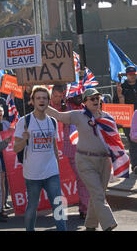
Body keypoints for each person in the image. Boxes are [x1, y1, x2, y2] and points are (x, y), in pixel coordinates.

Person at [46, 88, 118, 231]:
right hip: (85, 160)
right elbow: (58, 115)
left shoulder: (108, 118)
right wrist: (41, 103)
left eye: (98, 98)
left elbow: (114, 141)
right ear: (85, 102)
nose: (96, 101)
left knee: (98, 193)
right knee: (97, 192)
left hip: (104, 161)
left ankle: (90, 224)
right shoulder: (78, 115)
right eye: (92, 99)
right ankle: (108, 223)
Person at [14, 86, 67, 231]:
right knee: (32, 206)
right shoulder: (24, 122)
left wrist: (57, 165)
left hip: (51, 172)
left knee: (58, 205)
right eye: (38, 98)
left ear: (49, 101)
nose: (41, 100)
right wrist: (24, 140)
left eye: (44, 98)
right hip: (32, 174)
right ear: (32, 101)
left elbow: (54, 145)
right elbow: (15, 148)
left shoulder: (53, 121)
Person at [52, 85, 90, 219]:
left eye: (81, 94)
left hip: (89, 149)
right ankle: (86, 209)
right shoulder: (65, 105)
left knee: (85, 179)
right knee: (82, 178)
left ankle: (84, 206)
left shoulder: (87, 106)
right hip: (73, 150)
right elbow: (55, 113)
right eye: (76, 94)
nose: (78, 97)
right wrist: (61, 100)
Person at [115, 65, 137, 174]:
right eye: (130, 74)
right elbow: (116, 106)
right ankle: (135, 165)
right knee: (132, 142)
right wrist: (119, 95)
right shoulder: (121, 87)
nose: (132, 76)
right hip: (129, 119)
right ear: (126, 75)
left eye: (134, 74)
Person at [0, 105, 12, 211]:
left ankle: (3, 203)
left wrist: (11, 131)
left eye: (1, 111)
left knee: (4, 179)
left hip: (5, 154)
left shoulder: (6, 124)